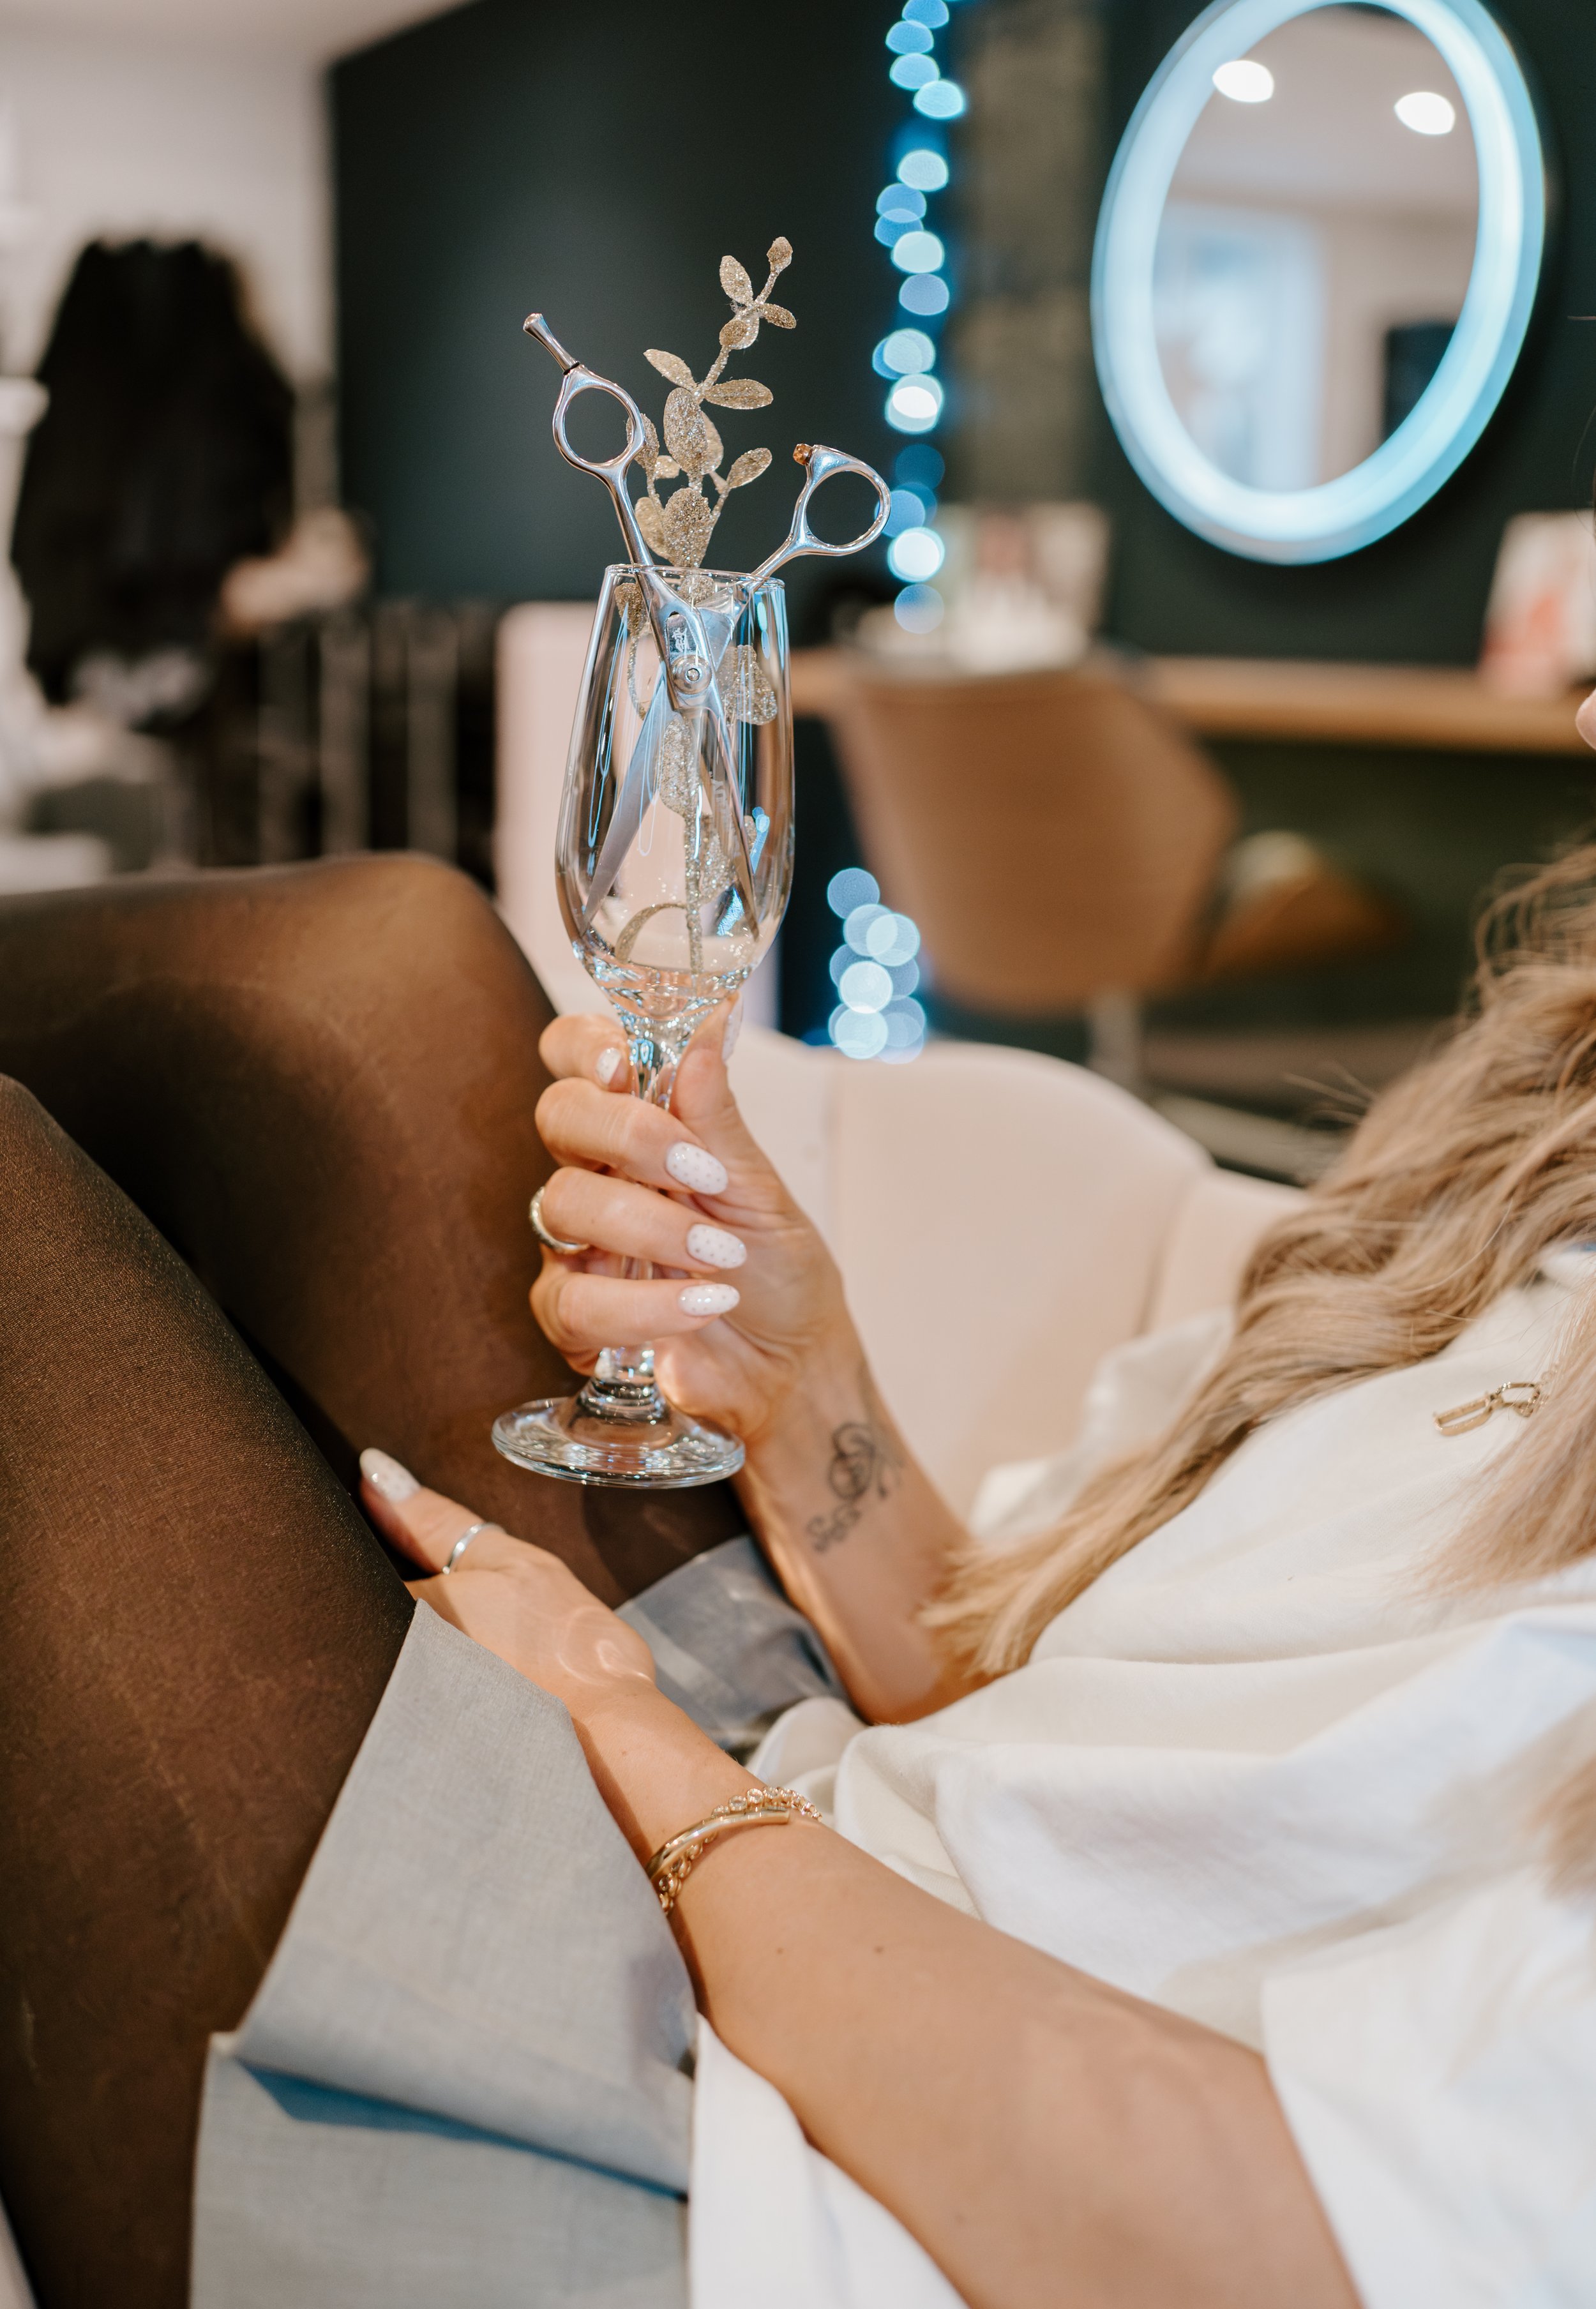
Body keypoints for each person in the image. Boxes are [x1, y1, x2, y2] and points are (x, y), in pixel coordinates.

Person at [4, 803, 1596, 2306]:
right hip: (826, 1850)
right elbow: (1049, 1718)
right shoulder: (1528, 1174)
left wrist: (624, 1743)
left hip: (807, 2211)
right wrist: (797, 1389)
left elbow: (1253, 2247)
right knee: (372, 962)